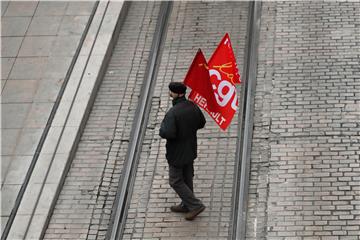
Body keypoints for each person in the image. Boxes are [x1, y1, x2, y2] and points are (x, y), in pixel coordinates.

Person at [159, 82, 206, 221]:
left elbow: (166, 133)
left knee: (175, 180)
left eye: (171, 92)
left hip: (177, 152)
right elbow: (201, 123)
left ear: (177, 94)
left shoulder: (173, 113)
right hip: (190, 148)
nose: (170, 94)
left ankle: (195, 205)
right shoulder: (192, 106)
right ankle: (186, 204)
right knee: (187, 177)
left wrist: (164, 126)